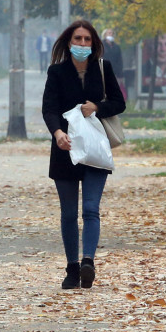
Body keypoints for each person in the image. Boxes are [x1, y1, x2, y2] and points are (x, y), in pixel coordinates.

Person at [42, 19, 126, 289]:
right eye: (77, 39)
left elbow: (119, 103)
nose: (82, 44)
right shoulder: (56, 72)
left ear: (94, 44)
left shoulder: (103, 68)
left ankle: (88, 261)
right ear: (69, 42)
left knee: (90, 209)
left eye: (87, 40)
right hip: (65, 149)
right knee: (68, 213)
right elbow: (49, 108)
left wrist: (97, 107)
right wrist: (57, 133)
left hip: (95, 149)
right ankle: (71, 268)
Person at [101, 28, 127, 99]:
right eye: (109, 33)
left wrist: (120, 74)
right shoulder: (101, 45)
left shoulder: (116, 47)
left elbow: (120, 61)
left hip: (114, 72)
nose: (111, 35)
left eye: (112, 33)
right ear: (105, 35)